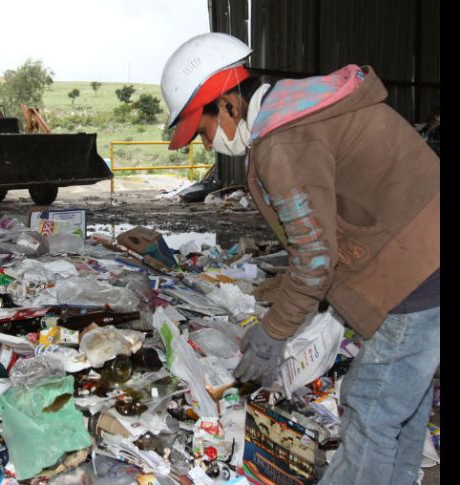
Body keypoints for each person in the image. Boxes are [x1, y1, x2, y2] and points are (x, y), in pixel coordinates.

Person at [160, 33, 439, 485]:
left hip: (419, 269)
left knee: (371, 403)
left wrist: (272, 335)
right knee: (403, 397)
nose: (208, 142)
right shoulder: (298, 109)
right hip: (424, 252)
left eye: (204, 128)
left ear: (228, 103)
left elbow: (314, 259)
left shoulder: (283, 143)